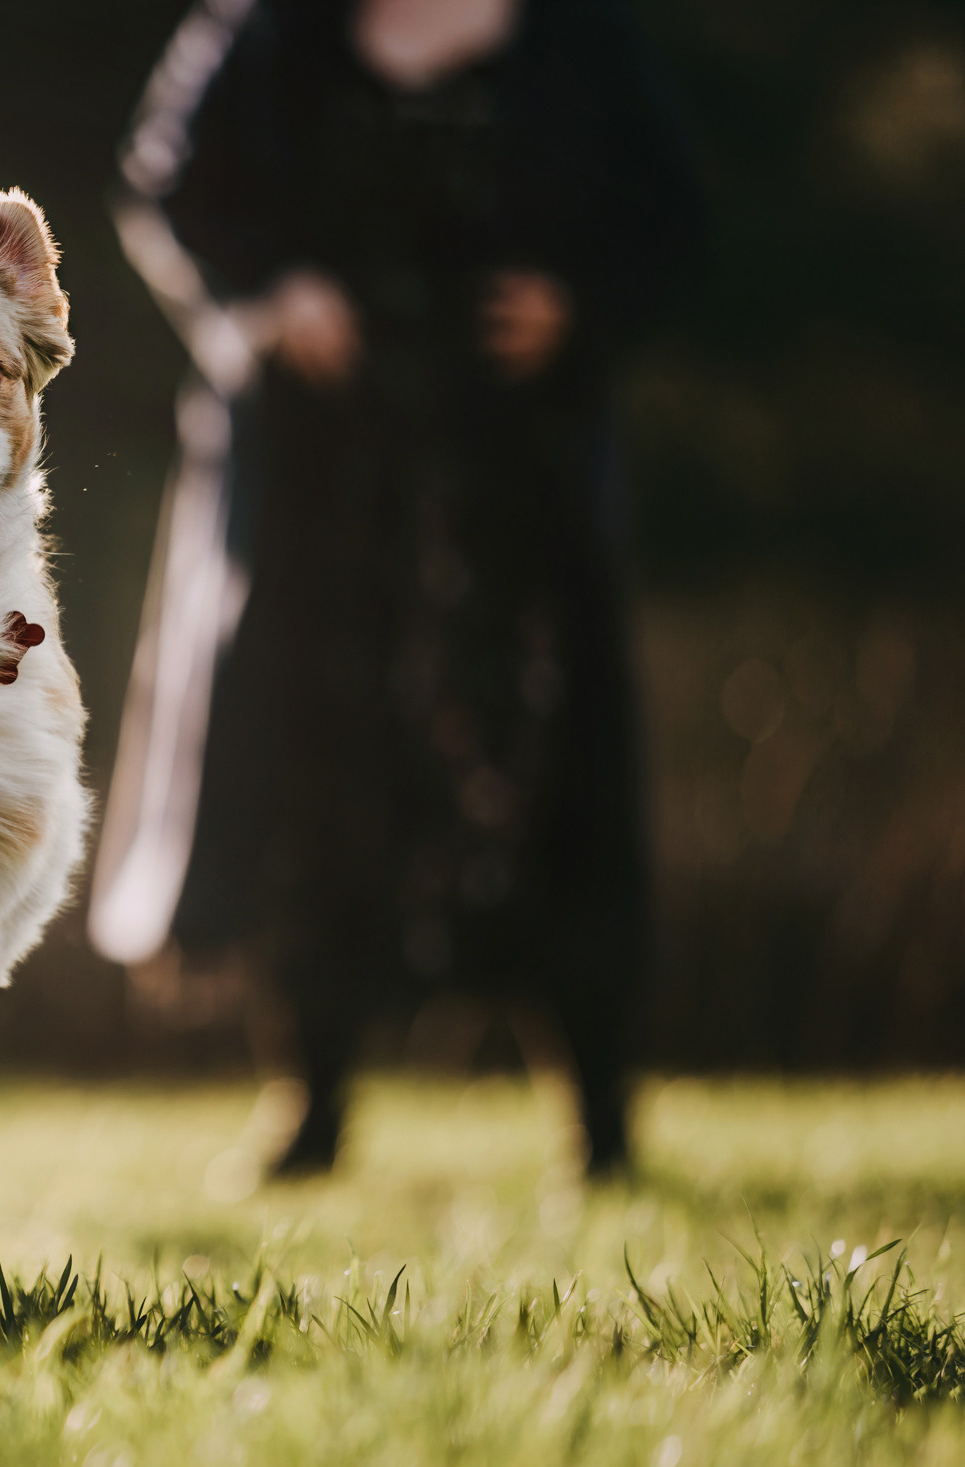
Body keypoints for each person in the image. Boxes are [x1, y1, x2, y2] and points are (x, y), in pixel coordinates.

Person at [149, 0, 701, 1172]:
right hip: (319, 492)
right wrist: (268, 294)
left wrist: (577, 307)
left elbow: (668, 217)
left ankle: (599, 1123)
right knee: (320, 784)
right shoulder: (267, 37)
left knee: (555, 785)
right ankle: (312, 1108)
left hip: (521, 492)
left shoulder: (579, 39)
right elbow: (175, 193)